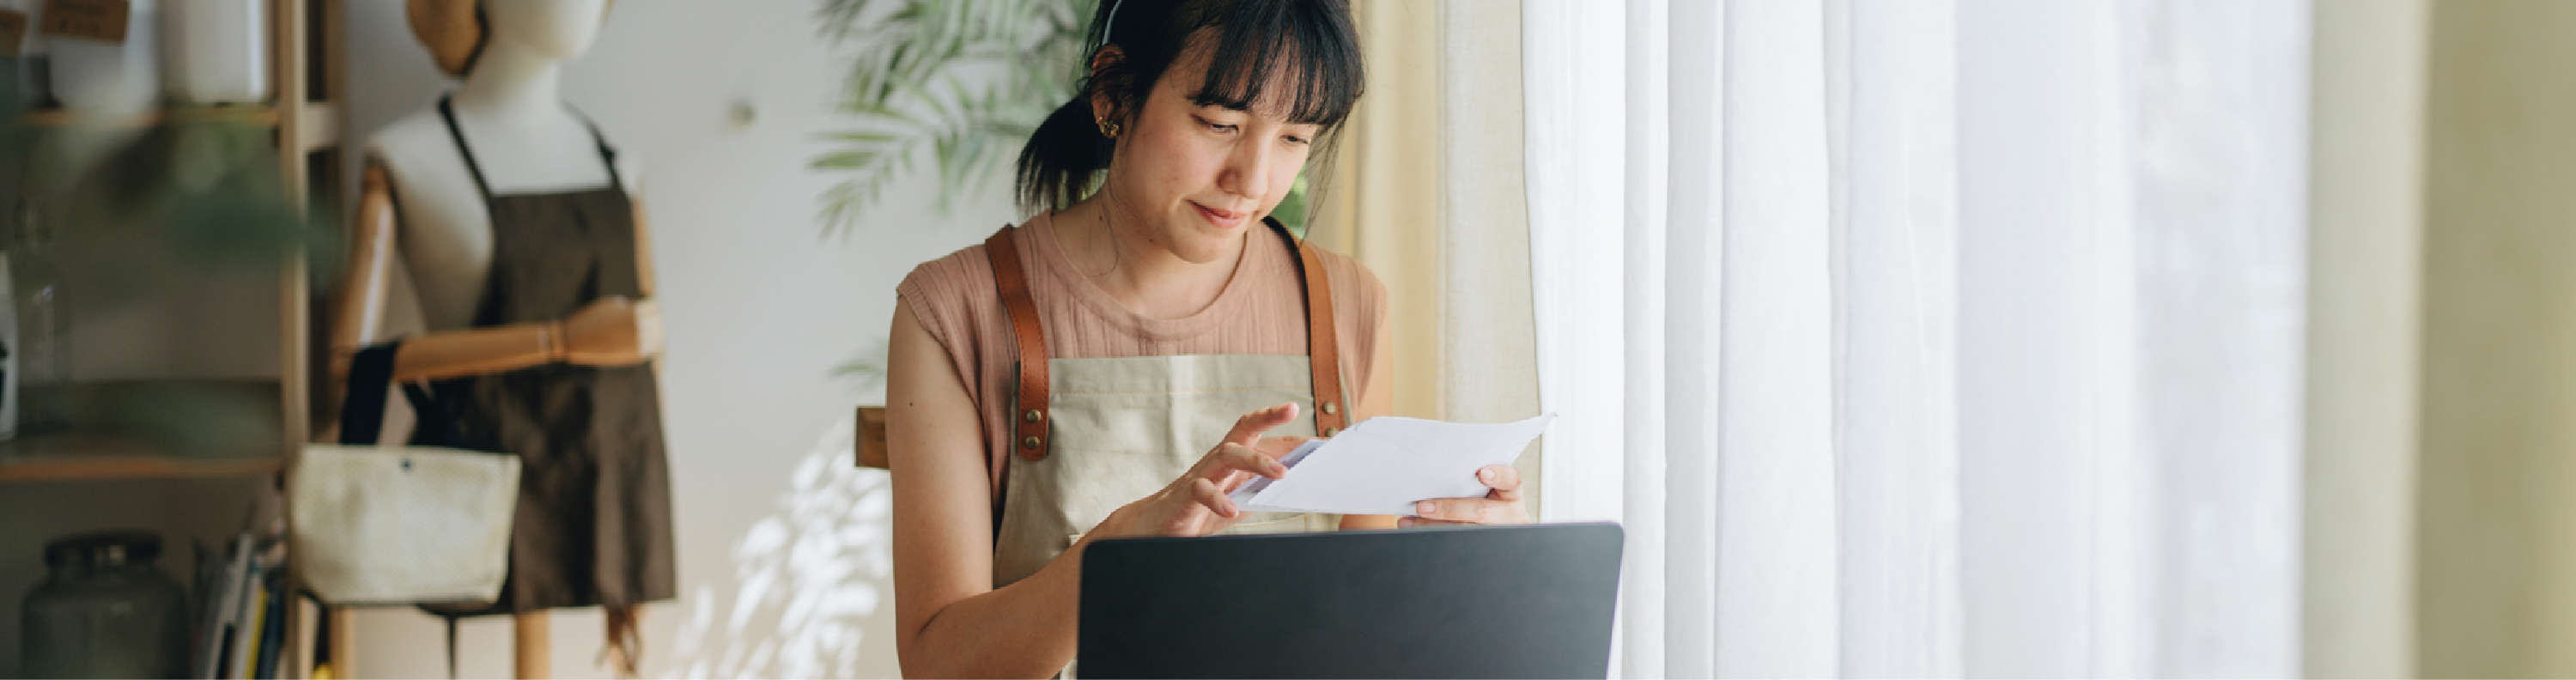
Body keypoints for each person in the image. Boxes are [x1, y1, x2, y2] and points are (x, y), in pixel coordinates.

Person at [884, 0, 1528, 676]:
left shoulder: (1345, 303)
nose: (1252, 181)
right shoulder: (954, 310)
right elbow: (936, 664)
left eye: (1295, 137)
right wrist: (1120, 553)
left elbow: (1374, 633)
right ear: (1112, 93)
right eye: (1220, 124)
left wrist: (1479, 565)